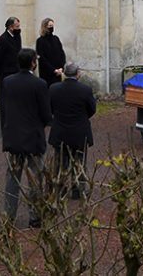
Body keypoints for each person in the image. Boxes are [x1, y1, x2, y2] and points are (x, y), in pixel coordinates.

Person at [1, 48, 52, 228]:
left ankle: (9, 214)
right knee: (35, 178)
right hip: (32, 137)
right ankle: (35, 215)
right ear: (33, 63)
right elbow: (46, 113)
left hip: (14, 136)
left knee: (12, 179)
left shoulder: (8, 82)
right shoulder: (39, 84)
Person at [48, 61, 96, 199]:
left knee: (60, 162)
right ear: (78, 73)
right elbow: (92, 109)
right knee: (79, 162)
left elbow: (50, 108)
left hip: (60, 131)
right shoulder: (85, 89)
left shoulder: (54, 88)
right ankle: (78, 190)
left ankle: (60, 188)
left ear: (64, 73)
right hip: (79, 131)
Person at [0, 17, 22, 106]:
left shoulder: (17, 36)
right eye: (17, 27)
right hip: (5, 73)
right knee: (5, 100)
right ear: (10, 27)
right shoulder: (2, 40)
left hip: (16, 71)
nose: (18, 29)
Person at [36, 17, 66, 86]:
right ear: (45, 27)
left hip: (58, 71)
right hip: (47, 72)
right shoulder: (40, 41)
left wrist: (61, 68)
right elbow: (42, 58)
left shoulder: (56, 39)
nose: (51, 28)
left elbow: (62, 53)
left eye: (52, 26)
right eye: (50, 26)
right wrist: (53, 70)